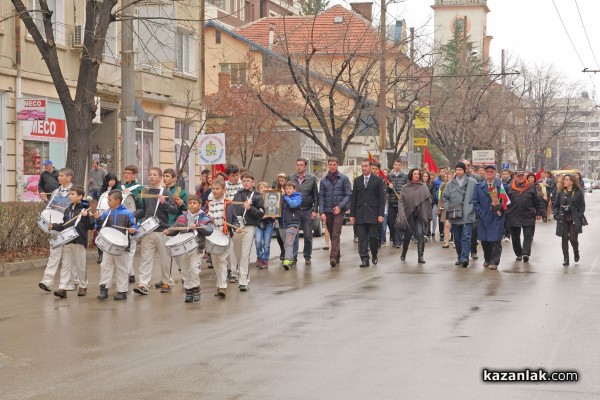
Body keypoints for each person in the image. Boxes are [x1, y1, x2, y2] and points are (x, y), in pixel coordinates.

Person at [132, 168, 179, 295]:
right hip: (148, 231)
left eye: (155, 175)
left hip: (162, 231)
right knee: (145, 259)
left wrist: (164, 203)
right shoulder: (146, 191)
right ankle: (143, 284)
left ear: (160, 178)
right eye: (150, 174)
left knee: (165, 258)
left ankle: (167, 282)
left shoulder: (166, 192)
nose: (151, 177)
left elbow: (174, 210)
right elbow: (144, 211)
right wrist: (132, 215)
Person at [164, 195, 213, 303]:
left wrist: (197, 225)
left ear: (200, 205)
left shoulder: (204, 218)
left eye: (194, 203)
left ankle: (196, 290)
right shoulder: (182, 216)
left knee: (194, 269)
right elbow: (175, 227)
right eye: (190, 203)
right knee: (185, 270)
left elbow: (209, 230)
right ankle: (188, 291)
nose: (191, 205)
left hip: (197, 247)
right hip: (183, 249)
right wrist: (169, 231)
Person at [48, 185, 94, 298]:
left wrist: (87, 216)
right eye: (70, 194)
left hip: (79, 241)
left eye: (72, 194)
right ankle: (62, 288)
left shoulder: (84, 210)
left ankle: (83, 286)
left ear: (80, 197)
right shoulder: (68, 210)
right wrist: (53, 226)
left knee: (80, 265)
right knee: (65, 265)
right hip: (67, 240)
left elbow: (91, 226)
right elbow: (64, 226)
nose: (70, 196)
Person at [38, 168, 80, 292]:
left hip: (70, 227)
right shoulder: (56, 191)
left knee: (70, 256)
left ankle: (73, 281)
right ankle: (47, 281)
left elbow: (80, 208)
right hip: (57, 227)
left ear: (69, 178)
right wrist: (46, 200)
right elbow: (50, 208)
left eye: (61, 176)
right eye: (59, 175)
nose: (58, 177)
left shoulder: (76, 191)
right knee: (54, 254)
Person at [93, 190, 138, 301]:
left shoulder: (127, 214)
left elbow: (134, 227)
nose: (107, 202)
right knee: (105, 266)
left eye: (110, 200)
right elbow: (98, 227)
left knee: (122, 268)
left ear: (117, 201)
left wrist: (133, 230)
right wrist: (98, 220)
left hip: (121, 246)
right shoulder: (107, 213)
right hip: (108, 245)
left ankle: (122, 291)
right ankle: (104, 289)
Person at [204, 177, 239, 298]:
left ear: (223, 190)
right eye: (213, 188)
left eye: (217, 189)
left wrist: (236, 227)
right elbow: (202, 216)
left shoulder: (227, 204)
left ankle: (223, 286)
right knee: (215, 262)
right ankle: (219, 284)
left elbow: (234, 218)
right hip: (211, 236)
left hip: (224, 235)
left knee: (222, 260)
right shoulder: (208, 204)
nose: (214, 191)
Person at [231, 171, 265, 291]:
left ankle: (243, 281)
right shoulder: (238, 194)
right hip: (237, 227)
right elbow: (232, 209)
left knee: (245, 254)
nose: (245, 183)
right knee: (238, 254)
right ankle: (244, 275)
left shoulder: (257, 196)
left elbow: (261, 213)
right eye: (243, 181)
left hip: (249, 227)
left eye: (248, 181)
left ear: (253, 182)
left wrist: (250, 208)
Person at [350, 158, 386, 268]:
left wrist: (380, 214)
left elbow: (382, 198)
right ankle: (364, 258)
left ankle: (374, 254)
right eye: (362, 166)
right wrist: (352, 215)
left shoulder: (378, 181)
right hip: (360, 213)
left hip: (373, 214)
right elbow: (354, 199)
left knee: (373, 237)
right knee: (362, 238)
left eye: (366, 166)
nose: (363, 168)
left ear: (370, 167)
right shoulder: (357, 180)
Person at [472, 165, 507, 270]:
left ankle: (495, 261)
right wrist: (480, 213)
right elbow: (475, 201)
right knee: (485, 240)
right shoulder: (479, 186)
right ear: (485, 173)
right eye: (487, 171)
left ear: (495, 173)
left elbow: (506, 201)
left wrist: (500, 207)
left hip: (497, 216)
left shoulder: (501, 185)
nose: (489, 173)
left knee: (495, 240)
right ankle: (487, 259)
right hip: (483, 217)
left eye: (492, 171)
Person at [443, 162, 477, 268]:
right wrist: (448, 207)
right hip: (455, 214)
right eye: (457, 169)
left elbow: (476, 196)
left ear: (464, 170)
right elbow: (445, 197)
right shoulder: (450, 184)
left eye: (460, 170)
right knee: (457, 238)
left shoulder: (472, 182)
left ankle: (465, 258)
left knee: (466, 237)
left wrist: (472, 207)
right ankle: (459, 257)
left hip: (468, 213)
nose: (458, 172)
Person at [319, 157, 352, 267]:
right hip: (327, 211)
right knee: (332, 233)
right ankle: (337, 255)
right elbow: (321, 197)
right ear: (328, 165)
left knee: (336, 233)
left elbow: (348, 195)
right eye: (330, 164)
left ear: (337, 165)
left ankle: (332, 257)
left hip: (339, 211)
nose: (332, 166)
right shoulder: (323, 180)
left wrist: (340, 206)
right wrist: (321, 212)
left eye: (334, 164)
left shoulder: (344, 179)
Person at [396, 168, 433, 263]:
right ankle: (404, 253)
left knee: (420, 235)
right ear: (411, 175)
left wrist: (428, 214)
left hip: (420, 215)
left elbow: (428, 201)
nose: (416, 175)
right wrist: (401, 212)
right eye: (414, 174)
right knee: (407, 235)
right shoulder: (405, 187)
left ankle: (420, 256)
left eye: (418, 174)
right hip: (409, 215)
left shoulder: (423, 187)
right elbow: (401, 202)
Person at [288, 158, 319, 265]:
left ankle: (307, 256)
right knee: (294, 235)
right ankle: (294, 257)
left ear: (305, 167)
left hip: (307, 210)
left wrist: (315, 210)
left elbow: (316, 195)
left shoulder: (312, 178)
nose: (299, 167)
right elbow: (287, 192)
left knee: (308, 235)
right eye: (297, 165)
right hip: (294, 211)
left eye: (301, 165)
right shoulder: (291, 177)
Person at [553, 174, 586, 266]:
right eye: (564, 179)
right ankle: (566, 258)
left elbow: (582, 205)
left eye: (567, 179)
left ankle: (576, 251)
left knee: (573, 239)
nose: (565, 181)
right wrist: (556, 215)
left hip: (574, 219)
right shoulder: (561, 192)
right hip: (563, 219)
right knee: (564, 238)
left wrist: (579, 215)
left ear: (572, 181)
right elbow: (555, 206)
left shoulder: (578, 192)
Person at [121, 165, 145, 283]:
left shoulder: (139, 189)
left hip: (133, 221)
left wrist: (138, 222)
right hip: (120, 220)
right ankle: (130, 274)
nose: (126, 175)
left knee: (130, 248)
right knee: (123, 248)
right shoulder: (120, 187)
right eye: (125, 172)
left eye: (129, 173)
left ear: (135, 175)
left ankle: (127, 273)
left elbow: (141, 206)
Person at [279, 181, 302, 270]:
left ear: (294, 189)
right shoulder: (282, 198)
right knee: (286, 243)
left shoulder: (298, 197)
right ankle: (291, 259)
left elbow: (293, 205)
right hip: (282, 224)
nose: (288, 190)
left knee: (289, 243)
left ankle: (287, 260)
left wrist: (284, 196)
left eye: (290, 188)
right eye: (286, 188)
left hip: (292, 224)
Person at [387, 159, 409, 248]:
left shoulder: (404, 176)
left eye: (399, 165)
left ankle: (398, 241)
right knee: (391, 222)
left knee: (399, 223)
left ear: (401, 166)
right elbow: (385, 190)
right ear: (393, 166)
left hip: (400, 203)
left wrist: (402, 195)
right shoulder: (389, 176)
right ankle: (393, 238)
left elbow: (407, 189)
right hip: (391, 202)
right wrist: (389, 187)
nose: (397, 166)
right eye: (395, 164)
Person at [463, 160, 482, 260]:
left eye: (468, 165)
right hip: (461, 208)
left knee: (474, 230)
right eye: (464, 165)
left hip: (473, 208)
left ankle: (473, 251)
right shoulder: (457, 177)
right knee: (463, 232)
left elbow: (481, 191)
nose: (466, 167)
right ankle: (463, 254)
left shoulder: (477, 177)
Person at [255, 182, 276, 269]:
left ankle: (265, 260)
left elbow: (276, 210)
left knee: (266, 244)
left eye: (264, 188)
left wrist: (275, 215)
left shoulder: (272, 198)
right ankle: (259, 257)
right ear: (258, 189)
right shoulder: (255, 198)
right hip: (258, 223)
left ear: (268, 189)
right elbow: (253, 211)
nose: (263, 189)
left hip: (269, 223)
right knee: (258, 242)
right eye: (261, 188)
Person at [273, 173, 288, 260]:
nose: (281, 182)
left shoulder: (288, 188)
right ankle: (282, 249)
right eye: (279, 180)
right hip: (278, 214)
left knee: (286, 234)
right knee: (278, 234)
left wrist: (284, 194)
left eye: (283, 180)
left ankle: (287, 251)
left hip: (286, 214)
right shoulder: (276, 189)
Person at [437, 172, 452, 248]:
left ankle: (455, 242)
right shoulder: (443, 186)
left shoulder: (456, 185)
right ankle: (446, 242)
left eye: (450, 177)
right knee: (446, 225)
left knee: (455, 225)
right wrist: (439, 208)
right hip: (445, 206)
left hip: (454, 207)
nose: (449, 179)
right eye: (447, 177)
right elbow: (441, 198)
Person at [433, 167, 448, 241]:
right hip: (439, 202)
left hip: (447, 203)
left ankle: (446, 233)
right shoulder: (436, 181)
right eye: (441, 171)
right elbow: (435, 191)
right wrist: (437, 199)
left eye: (444, 171)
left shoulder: (448, 180)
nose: (442, 172)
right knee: (440, 218)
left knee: (446, 219)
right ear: (439, 172)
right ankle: (441, 232)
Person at [421, 171, 436, 241]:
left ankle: (427, 233)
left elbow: (433, 194)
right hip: (420, 204)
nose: (425, 178)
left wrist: (430, 201)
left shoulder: (432, 184)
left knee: (428, 219)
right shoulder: (419, 184)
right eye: (424, 176)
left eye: (426, 176)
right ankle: (422, 233)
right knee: (421, 219)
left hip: (429, 204)